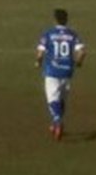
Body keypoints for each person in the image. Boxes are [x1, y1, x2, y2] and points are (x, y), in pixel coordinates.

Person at [35, 9, 87, 141]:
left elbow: (40, 52)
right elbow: (82, 52)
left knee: (52, 100)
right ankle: (54, 124)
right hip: (67, 71)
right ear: (66, 19)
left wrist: (38, 62)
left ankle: (57, 122)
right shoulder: (72, 34)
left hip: (52, 71)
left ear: (55, 19)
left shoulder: (49, 33)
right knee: (62, 100)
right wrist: (79, 63)